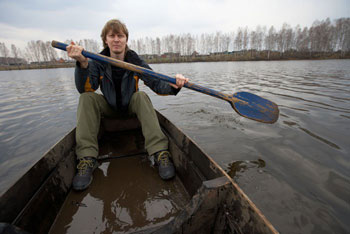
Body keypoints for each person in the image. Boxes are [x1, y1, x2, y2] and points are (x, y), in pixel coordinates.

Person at [67, 19, 189, 191]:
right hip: (109, 108)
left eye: (120, 36)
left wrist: (173, 85)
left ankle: (160, 152)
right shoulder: (98, 61)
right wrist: (83, 63)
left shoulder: (134, 60)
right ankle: (87, 158)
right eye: (112, 36)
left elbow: (155, 83)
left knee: (140, 95)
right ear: (106, 40)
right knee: (86, 98)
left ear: (126, 39)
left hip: (131, 107)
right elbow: (86, 88)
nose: (116, 39)